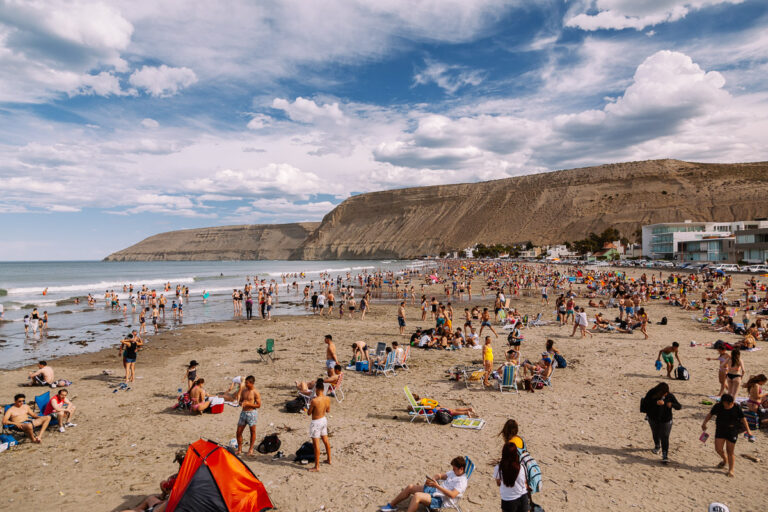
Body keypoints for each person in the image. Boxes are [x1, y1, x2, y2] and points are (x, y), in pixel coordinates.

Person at [380, 456, 468, 512]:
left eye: (454, 468)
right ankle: (392, 506)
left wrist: (437, 486)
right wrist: (433, 479)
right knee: (410, 487)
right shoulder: (454, 472)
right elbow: (441, 475)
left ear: (461, 469)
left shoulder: (462, 481)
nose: (452, 470)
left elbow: (452, 495)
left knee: (417, 496)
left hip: (441, 499)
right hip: (436, 490)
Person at [701, 393, 755, 477]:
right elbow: (710, 414)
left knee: (730, 451)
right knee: (718, 449)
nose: (727, 404)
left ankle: (731, 470)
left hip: (732, 430)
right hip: (720, 429)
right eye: (725, 403)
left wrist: (748, 431)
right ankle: (724, 459)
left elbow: (743, 419)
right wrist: (704, 423)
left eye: (729, 403)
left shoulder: (736, 407)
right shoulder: (718, 406)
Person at [642, 382, 681, 463]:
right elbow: (645, 404)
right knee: (655, 433)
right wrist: (655, 403)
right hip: (653, 418)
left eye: (666, 393)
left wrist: (672, 404)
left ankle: (665, 455)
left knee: (665, 436)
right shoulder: (651, 393)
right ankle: (657, 445)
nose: (665, 394)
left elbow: (679, 406)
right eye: (664, 393)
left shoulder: (669, 396)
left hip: (666, 420)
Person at [495, 442, 529, 512]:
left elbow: (498, 483)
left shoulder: (498, 468)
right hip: (522, 498)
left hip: (507, 500)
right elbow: (525, 483)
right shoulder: (522, 467)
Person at [308, 378, 331, 472]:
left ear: (317, 389)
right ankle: (329, 459)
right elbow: (328, 410)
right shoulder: (327, 398)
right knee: (325, 440)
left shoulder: (314, 401)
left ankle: (317, 466)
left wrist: (311, 406)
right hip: (323, 420)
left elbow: (309, 413)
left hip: (316, 422)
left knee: (316, 444)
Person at [236, 375, 261, 456]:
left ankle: (250, 449)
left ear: (251, 383)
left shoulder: (255, 392)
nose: (245, 384)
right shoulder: (244, 391)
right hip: (243, 413)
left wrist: (248, 404)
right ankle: (239, 449)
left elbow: (258, 405)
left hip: (252, 413)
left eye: (247, 383)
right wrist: (241, 403)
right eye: (245, 383)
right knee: (238, 432)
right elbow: (240, 401)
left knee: (252, 431)